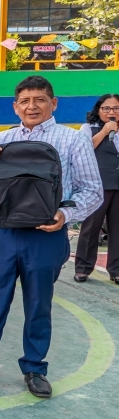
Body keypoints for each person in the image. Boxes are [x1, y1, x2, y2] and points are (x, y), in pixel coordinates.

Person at [0, 76, 102, 398]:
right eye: (25, 101)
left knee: (38, 304)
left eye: (40, 99)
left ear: (53, 103)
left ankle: (34, 368)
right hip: (4, 234)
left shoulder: (72, 140)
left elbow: (92, 190)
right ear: (15, 106)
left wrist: (64, 215)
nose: (32, 106)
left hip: (46, 234)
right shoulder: (3, 139)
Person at [75, 93, 119, 282]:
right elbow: (83, 150)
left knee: (117, 229)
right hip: (98, 184)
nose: (111, 112)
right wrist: (105, 131)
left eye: (116, 108)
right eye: (106, 108)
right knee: (91, 227)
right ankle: (83, 268)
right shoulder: (88, 128)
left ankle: (116, 270)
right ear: (98, 110)